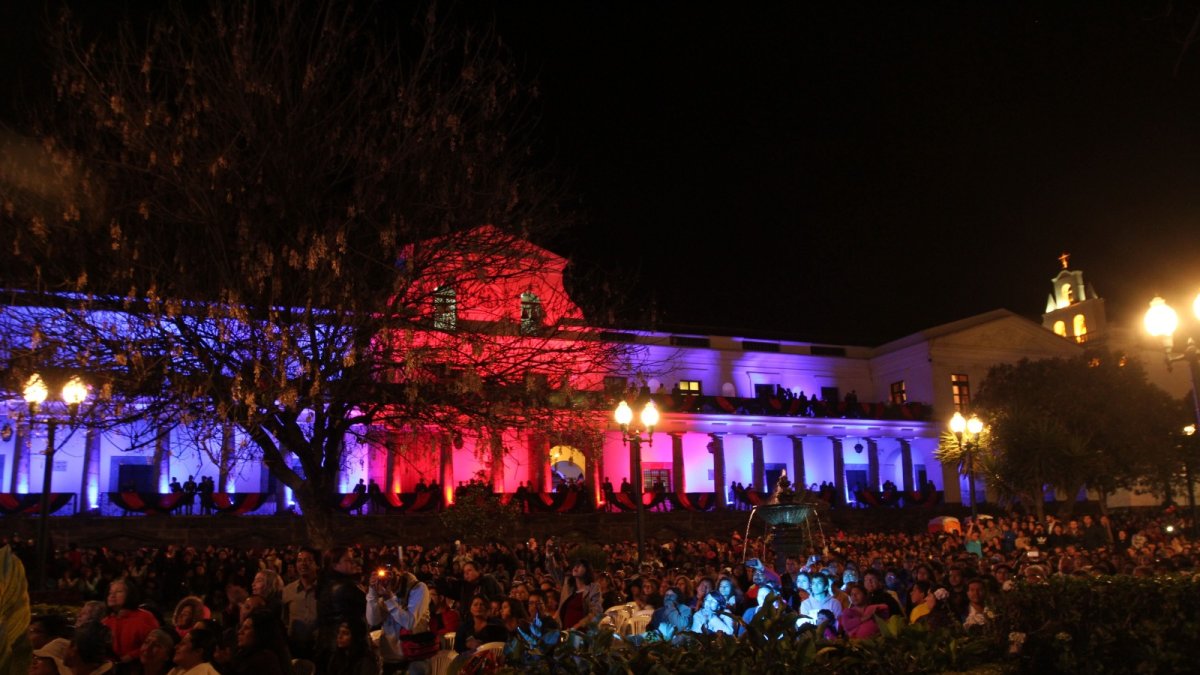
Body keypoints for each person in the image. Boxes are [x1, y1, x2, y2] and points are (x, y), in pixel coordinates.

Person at [366, 559, 429, 665]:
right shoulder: (383, 589)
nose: (386, 578)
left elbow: (409, 623)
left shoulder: (418, 588)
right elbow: (373, 621)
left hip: (415, 657)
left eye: (389, 573)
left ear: (401, 572)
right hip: (390, 656)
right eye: (381, 574)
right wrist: (372, 592)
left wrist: (388, 598)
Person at [316, 547, 366, 665]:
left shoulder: (324, 584)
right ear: (334, 565)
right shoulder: (346, 587)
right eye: (347, 560)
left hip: (329, 644)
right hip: (346, 646)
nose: (353, 563)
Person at [102, 578, 159, 668]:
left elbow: (157, 644)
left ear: (129, 595)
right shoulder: (106, 621)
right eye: (110, 592)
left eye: (118, 592)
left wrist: (132, 655)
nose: (112, 595)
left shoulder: (144, 617)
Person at [282, 547, 320, 660]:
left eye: (308, 560)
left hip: (319, 647)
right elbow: (284, 619)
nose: (303, 564)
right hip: (295, 648)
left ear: (317, 565)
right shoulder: (288, 590)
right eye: (299, 560)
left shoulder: (324, 589)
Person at [231, 611, 292, 675]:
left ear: (260, 633)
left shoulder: (265, 660)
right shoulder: (247, 653)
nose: (240, 632)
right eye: (241, 627)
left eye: (246, 628)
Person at [554, 559, 602, 632]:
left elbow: (596, 612)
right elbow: (554, 571)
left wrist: (576, 626)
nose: (576, 567)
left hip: (582, 633)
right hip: (565, 631)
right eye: (575, 565)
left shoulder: (593, 588)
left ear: (587, 570)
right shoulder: (569, 588)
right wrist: (549, 555)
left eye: (579, 565)